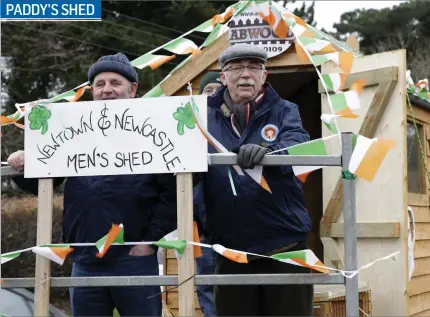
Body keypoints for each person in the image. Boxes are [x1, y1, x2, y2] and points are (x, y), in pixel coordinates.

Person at [7, 53, 177, 317]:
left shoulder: (153, 129)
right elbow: (44, 183)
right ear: (92, 91)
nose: (106, 90)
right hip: (85, 259)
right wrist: (21, 163)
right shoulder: (73, 132)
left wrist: (148, 242)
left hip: (134, 259)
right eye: (99, 84)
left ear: (132, 89)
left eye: (115, 83)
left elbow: (174, 194)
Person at [198, 43, 313, 316]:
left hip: (285, 247)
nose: (245, 74)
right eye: (236, 67)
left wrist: (271, 153)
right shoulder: (201, 118)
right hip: (230, 250)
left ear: (265, 76)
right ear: (223, 77)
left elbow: (299, 145)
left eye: (254, 67)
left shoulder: (286, 110)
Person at [194, 72, 222, 317]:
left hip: (236, 231)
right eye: (207, 89)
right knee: (207, 289)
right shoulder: (191, 132)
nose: (212, 94)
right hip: (203, 232)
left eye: (217, 88)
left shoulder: (234, 129)